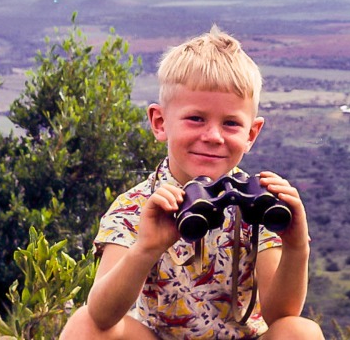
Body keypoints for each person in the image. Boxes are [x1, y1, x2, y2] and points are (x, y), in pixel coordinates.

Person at [60, 26, 324, 339]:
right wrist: (146, 248)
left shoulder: (257, 205)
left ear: (251, 134)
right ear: (160, 122)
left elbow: (281, 315)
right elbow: (101, 316)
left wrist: (296, 246)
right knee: (84, 324)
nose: (212, 136)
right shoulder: (135, 207)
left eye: (230, 123)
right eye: (196, 118)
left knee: (300, 331)